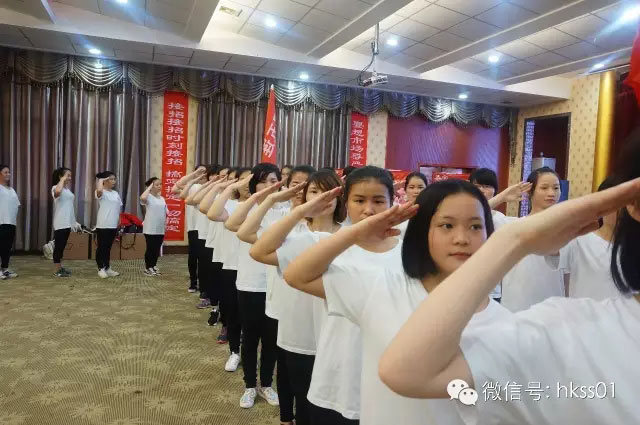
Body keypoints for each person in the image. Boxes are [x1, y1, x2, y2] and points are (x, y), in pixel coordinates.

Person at [378, 135, 640, 425]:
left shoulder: (511, 319)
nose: (462, 238)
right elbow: (407, 373)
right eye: (447, 226)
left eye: (555, 187)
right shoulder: (567, 331)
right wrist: (514, 240)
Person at [285, 180, 510, 425]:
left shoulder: (503, 324)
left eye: (475, 226)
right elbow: (297, 275)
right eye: (447, 225)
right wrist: (356, 233)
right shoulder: (381, 287)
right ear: (422, 231)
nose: (462, 239)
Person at [283, 165, 402, 425]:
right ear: (345, 202)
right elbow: (294, 276)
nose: (368, 209)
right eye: (359, 200)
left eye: (378, 201)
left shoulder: (407, 251)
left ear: (392, 202)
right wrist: (355, 233)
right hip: (338, 374)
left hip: (389, 375)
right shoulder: (332, 247)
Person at [243, 168, 341, 425]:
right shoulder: (294, 233)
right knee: (299, 392)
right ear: (304, 196)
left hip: (336, 330)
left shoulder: (350, 233)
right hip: (299, 327)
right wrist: (294, 210)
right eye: (315, 191)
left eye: (329, 191)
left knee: (330, 404)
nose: (322, 197)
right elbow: (254, 246)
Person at [223, 163, 282, 409]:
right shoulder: (248, 208)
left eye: (274, 181)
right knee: (250, 337)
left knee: (271, 339)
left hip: (276, 283)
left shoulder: (286, 209)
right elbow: (231, 224)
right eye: (264, 181)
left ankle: (266, 384)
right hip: (250, 282)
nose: (269, 185)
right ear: (254, 185)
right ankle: (249, 385)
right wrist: (256, 199)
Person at [499, 167, 565, 311]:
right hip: (517, 308)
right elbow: (477, 213)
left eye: (556, 188)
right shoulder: (512, 226)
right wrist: (502, 197)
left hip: (553, 310)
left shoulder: (566, 229)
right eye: (544, 188)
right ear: (530, 191)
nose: (551, 193)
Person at [550, 176, 621, 300]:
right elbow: (551, 256)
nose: (624, 211)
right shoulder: (579, 240)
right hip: (582, 311)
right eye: (618, 204)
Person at [208, 168, 253, 363]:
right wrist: (228, 186)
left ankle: (250, 354)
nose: (247, 184)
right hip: (232, 265)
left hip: (257, 268)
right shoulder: (231, 205)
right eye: (243, 180)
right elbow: (211, 212)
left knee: (253, 317)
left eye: (251, 180)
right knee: (232, 310)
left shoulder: (268, 207)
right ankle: (234, 352)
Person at [173, 165, 207, 292]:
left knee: (205, 258)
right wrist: (194, 175)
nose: (201, 175)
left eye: (204, 173)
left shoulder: (211, 187)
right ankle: (193, 282)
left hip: (207, 228)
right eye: (199, 172)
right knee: (193, 256)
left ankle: (204, 284)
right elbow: (175, 188)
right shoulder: (192, 186)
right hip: (193, 227)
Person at [95, 170, 123, 279]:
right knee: (102, 247)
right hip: (103, 224)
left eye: (114, 179)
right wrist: (100, 180)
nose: (114, 181)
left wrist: (119, 219)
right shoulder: (100, 191)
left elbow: (118, 207)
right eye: (111, 179)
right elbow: (99, 191)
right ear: (105, 181)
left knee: (108, 247)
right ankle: (100, 268)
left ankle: (107, 267)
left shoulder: (115, 193)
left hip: (113, 224)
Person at [51, 167, 76, 277]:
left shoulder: (67, 190)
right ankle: (56, 270)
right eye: (67, 175)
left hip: (68, 222)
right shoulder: (55, 187)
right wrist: (62, 180)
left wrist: (74, 222)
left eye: (70, 175)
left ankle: (60, 267)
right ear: (60, 177)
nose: (70, 178)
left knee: (62, 246)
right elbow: (57, 193)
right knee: (59, 246)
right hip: (60, 222)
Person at [140, 177, 168, 276]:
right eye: (157, 185)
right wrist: (149, 187)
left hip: (160, 228)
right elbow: (142, 198)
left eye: (160, 184)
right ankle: (148, 268)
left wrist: (165, 224)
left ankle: (153, 265)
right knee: (151, 248)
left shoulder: (162, 199)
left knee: (156, 248)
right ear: (151, 186)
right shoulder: (148, 197)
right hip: (150, 228)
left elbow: (165, 213)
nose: (159, 186)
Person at [0, 164, 19, 280]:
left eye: (9, 172)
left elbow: (17, 205)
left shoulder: (11, 189)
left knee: (7, 247)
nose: (8, 174)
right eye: (5, 172)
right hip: (1, 222)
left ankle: (5, 269)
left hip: (11, 223)